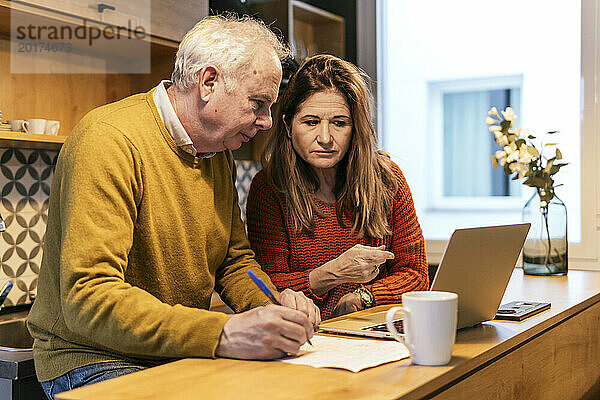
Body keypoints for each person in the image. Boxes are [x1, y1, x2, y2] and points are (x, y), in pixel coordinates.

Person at [27, 15, 320, 399]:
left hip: (171, 353)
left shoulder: (217, 153)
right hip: (93, 359)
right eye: (259, 103)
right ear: (209, 82)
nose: (267, 122)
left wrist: (275, 302)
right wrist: (224, 331)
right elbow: (89, 298)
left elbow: (234, 263)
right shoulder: (109, 140)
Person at [246, 55, 429, 320]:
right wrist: (330, 274)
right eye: (310, 122)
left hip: (377, 333)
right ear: (287, 125)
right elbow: (268, 288)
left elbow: (415, 275)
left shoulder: (387, 179)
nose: (324, 138)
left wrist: (363, 297)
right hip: (306, 339)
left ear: (356, 129)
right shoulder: (269, 189)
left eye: (339, 123)